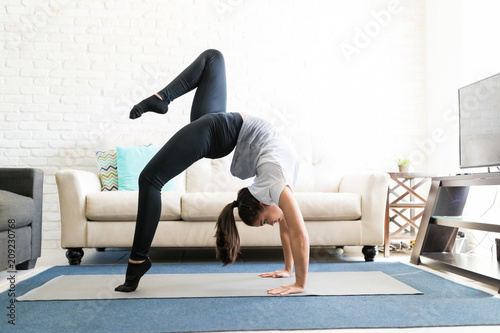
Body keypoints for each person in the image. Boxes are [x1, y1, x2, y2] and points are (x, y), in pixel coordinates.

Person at [115, 49, 309, 296]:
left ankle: (137, 263)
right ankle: (139, 260)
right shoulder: (277, 182)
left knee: (149, 179)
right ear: (262, 203)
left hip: (221, 129)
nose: (271, 223)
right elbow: (297, 232)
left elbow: (286, 225)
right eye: (264, 222)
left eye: (264, 222)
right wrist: (298, 282)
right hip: (217, 130)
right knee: (150, 180)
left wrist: (288, 269)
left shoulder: (275, 189)